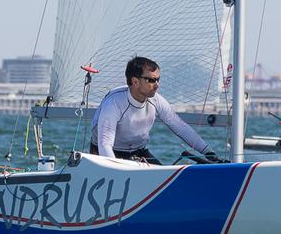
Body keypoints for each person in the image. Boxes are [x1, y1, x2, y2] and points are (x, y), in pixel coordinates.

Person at [90, 56, 222, 165]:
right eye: (151, 80)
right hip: (104, 153)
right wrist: (117, 170)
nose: (157, 85)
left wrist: (209, 154)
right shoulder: (113, 103)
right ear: (135, 81)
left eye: (158, 79)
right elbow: (105, 144)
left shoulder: (156, 101)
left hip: (138, 153)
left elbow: (181, 128)